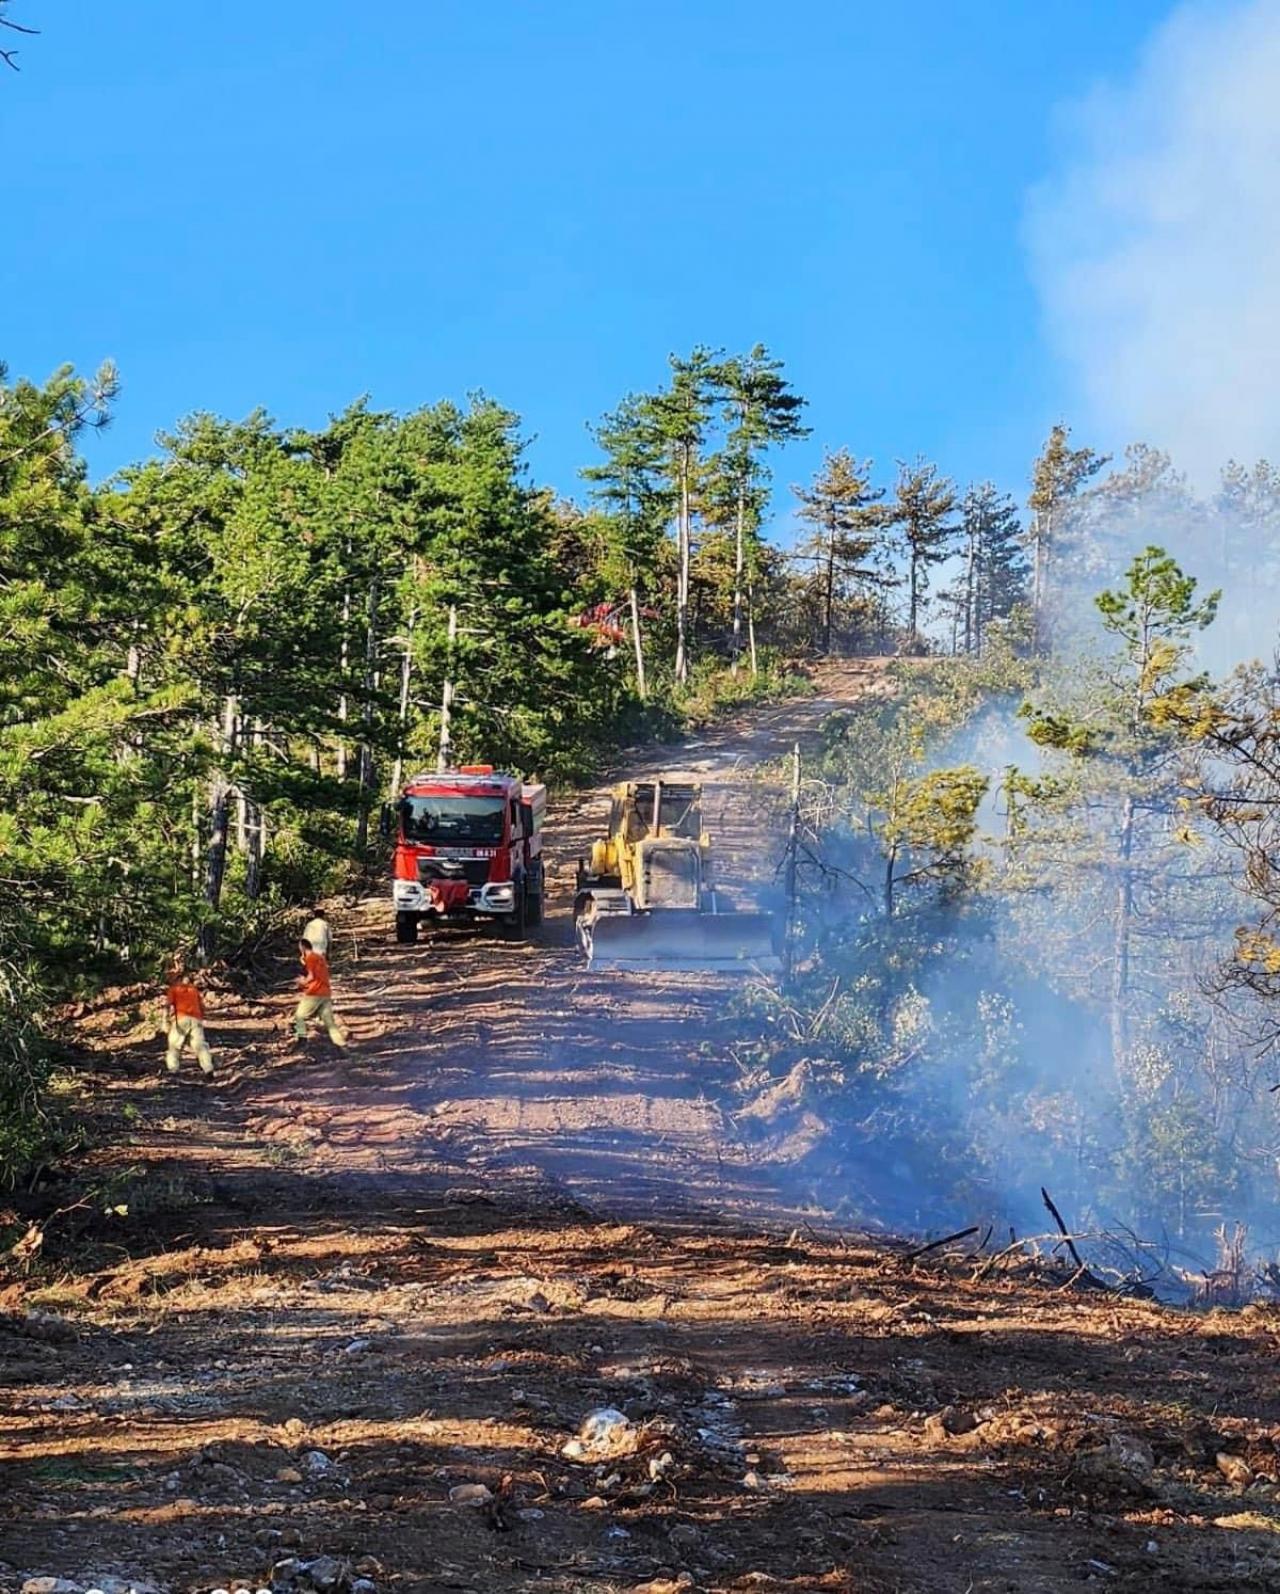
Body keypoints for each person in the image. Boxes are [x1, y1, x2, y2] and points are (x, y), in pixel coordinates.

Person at [293, 938, 347, 1048]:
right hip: (325, 992)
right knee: (329, 1022)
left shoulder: (310, 958)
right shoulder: (319, 958)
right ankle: (341, 1044)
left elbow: (311, 976)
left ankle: (301, 1039)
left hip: (315, 992)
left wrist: (302, 982)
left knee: (299, 1015)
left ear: (302, 948)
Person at [165, 963, 214, 1077]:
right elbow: (202, 1007)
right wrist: (201, 1019)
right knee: (200, 1046)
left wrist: (165, 1020)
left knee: (174, 1046)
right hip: (196, 1019)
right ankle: (208, 1067)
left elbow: (167, 1005)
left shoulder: (174, 989)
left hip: (181, 1019)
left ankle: (173, 1069)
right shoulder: (194, 990)